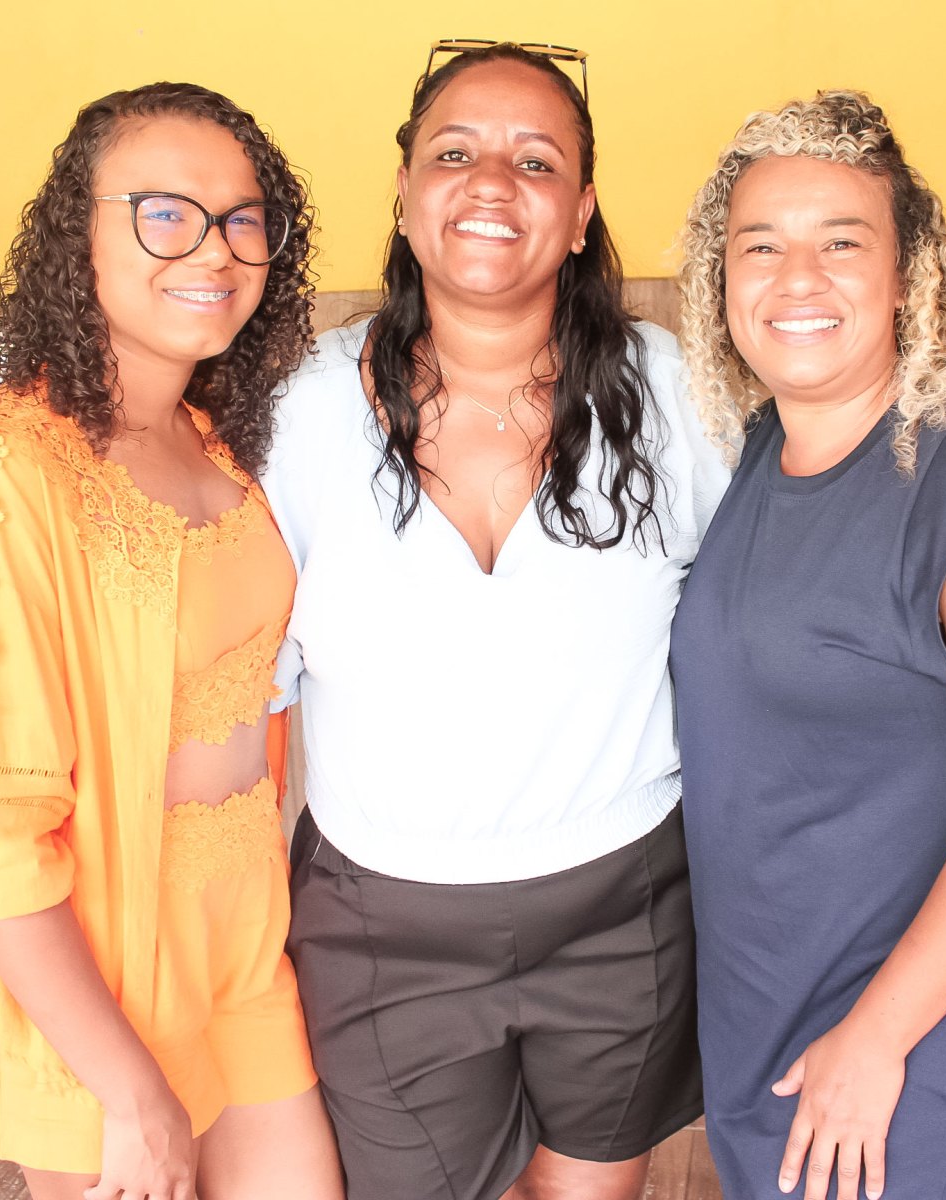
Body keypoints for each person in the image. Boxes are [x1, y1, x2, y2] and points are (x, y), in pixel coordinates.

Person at [263, 41, 726, 1200]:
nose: (490, 183)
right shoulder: (296, 414)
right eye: (454, 153)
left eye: (536, 160)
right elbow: (246, 688)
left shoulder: (680, 398)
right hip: (381, 924)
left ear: (580, 215)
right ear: (406, 195)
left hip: (625, 902)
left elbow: (757, 634)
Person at [0, 83, 342, 1200]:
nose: (215, 248)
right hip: (99, 980)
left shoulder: (216, 439)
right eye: (165, 213)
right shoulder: (4, 474)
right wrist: (129, 1091)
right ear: (76, 234)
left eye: (244, 219)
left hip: (245, 946)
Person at [670, 91, 946, 1200]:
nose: (797, 279)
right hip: (763, 1003)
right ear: (722, 283)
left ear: (908, 277)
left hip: (894, 1029)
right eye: (760, 246)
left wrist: (875, 1040)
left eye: (842, 244)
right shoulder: (755, 461)